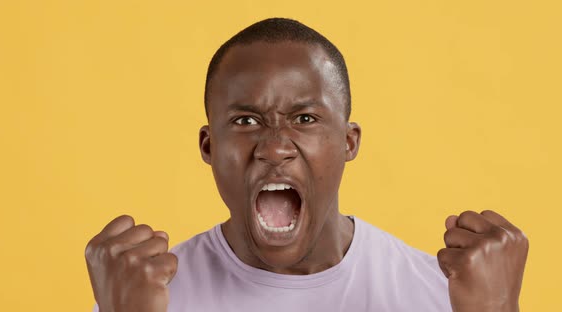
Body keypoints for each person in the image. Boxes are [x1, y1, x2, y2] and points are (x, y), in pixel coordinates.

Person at [85, 18, 529, 312]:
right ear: (208, 146)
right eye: (246, 120)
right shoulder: (146, 297)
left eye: (305, 119)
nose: (274, 148)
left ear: (348, 142)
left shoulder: (443, 292)